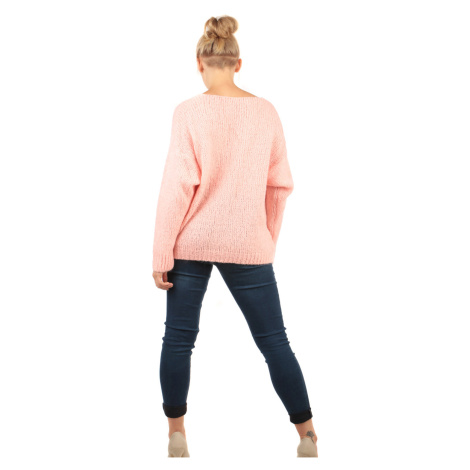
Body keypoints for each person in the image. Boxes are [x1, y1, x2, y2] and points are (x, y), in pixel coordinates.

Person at [152, 15, 318, 458]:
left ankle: (176, 432)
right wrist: (264, 238)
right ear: (238, 63)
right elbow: (279, 186)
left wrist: (161, 252)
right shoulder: (266, 111)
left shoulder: (188, 111)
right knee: (275, 341)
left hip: (190, 241)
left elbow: (176, 187)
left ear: (199, 63)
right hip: (249, 243)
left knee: (178, 339)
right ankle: (306, 435)